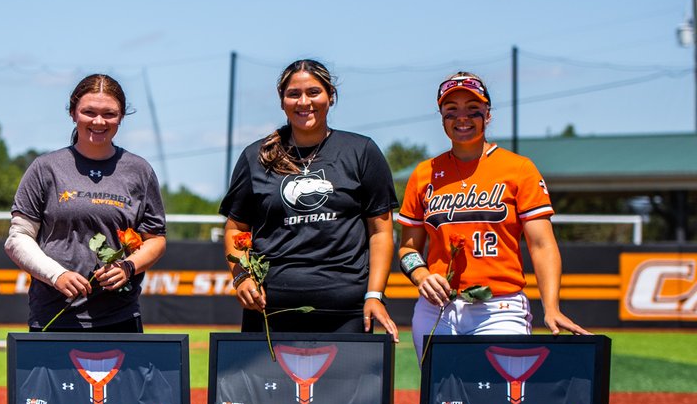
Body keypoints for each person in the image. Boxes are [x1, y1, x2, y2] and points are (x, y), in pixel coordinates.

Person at [396, 72, 589, 360]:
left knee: (496, 400)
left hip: (499, 309)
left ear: (488, 114)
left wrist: (552, 307)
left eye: (473, 109)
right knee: (442, 401)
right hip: (437, 309)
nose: (462, 117)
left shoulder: (518, 169)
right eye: (452, 111)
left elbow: (542, 245)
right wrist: (422, 275)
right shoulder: (424, 174)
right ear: (441, 117)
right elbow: (408, 247)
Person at [220, 59, 399, 337]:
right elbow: (235, 229)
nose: (304, 102)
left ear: (331, 96)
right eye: (294, 94)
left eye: (314, 92)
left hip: (344, 311)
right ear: (282, 102)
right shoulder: (255, 157)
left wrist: (374, 294)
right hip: (271, 310)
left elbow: (380, 231)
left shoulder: (361, 150)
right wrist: (242, 276)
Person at [5, 74, 167, 332]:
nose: (99, 121)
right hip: (53, 315)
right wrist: (55, 275)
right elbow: (18, 239)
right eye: (89, 112)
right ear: (73, 113)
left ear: (122, 116)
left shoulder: (140, 171)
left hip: (119, 317)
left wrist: (128, 266)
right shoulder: (45, 168)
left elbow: (155, 239)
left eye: (109, 114)